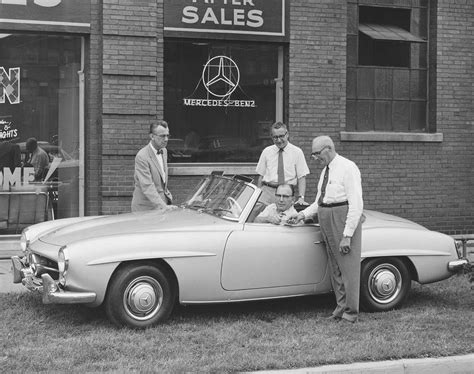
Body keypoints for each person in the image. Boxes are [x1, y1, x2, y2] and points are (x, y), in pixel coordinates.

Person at [288, 135, 363, 323]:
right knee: (335, 267)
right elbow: (319, 201)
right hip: (325, 216)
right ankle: (340, 308)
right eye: (313, 155)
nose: (315, 158)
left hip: (341, 217)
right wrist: (303, 215)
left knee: (348, 267)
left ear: (328, 148)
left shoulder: (348, 168)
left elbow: (356, 204)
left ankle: (351, 313)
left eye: (316, 154)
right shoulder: (325, 171)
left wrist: (347, 235)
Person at [255, 122, 310, 205]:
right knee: (262, 217)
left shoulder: (297, 152)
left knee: (284, 217)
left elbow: (301, 177)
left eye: (281, 136)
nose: (279, 140)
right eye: (275, 137)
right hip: (267, 192)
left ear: (287, 134)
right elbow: (260, 176)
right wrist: (256, 196)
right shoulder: (266, 151)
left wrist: (301, 198)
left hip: (286, 193)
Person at [131, 120, 175, 212]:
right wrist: (164, 206)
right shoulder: (142, 156)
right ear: (152, 136)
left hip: (161, 206)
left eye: (167, 135)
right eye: (162, 136)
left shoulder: (164, 151)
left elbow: (161, 180)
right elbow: (147, 186)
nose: (166, 139)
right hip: (145, 209)